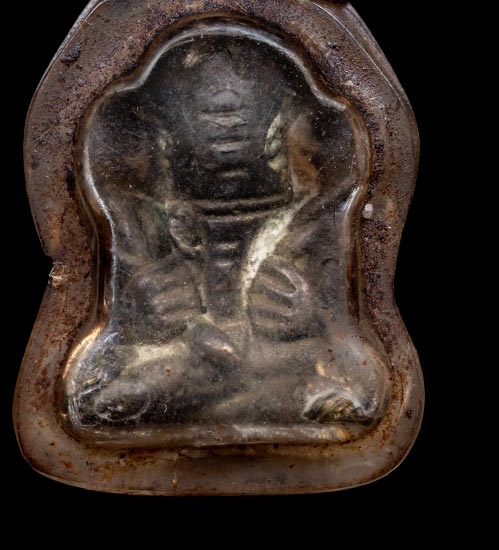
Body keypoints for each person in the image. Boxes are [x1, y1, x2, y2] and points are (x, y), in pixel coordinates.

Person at [63, 29, 388, 443]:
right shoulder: (135, 220)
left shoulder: (315, 217)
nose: (226, 105)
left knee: (351, 397)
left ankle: (225, 379)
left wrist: (312, 316)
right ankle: (227, 379)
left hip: (277, 378)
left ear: (283, 105)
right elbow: (94, 378)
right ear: (164, 115)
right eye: (199, 91)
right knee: (102, 402)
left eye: (248, 84)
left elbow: (355, 364)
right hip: (177, 383)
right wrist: (134, 320)